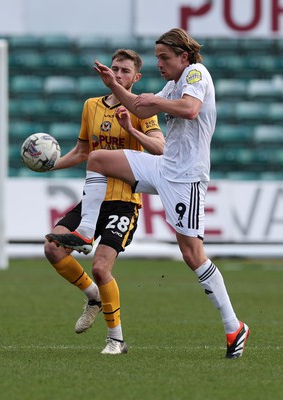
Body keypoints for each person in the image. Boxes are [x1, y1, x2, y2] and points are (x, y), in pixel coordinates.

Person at [46, 29, 250, 359]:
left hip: (187, 178)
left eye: (164, 57)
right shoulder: (173, 83)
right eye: (156, 57)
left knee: (193, 256)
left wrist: (153, 100)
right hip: (164, 166)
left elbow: (190, 110)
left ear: (183, 57)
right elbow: (140, 110)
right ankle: (84, 232)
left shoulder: (196, 73)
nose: (159, 63)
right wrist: (114, 85)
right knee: (98, 158)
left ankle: (233, 325)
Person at [45, 49, 164, 355]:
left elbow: (159, 148)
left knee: (101, 266)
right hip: (94, 200)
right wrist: (50, 163)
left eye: (125, 71)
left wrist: (131, 129)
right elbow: (83, 151)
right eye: (115, 69)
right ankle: (93, 297)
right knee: (52, 248)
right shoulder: (91, 107)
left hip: (124, 201)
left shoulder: (142, 108)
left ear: (136, 78)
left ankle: (116, 339)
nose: (118, 74)